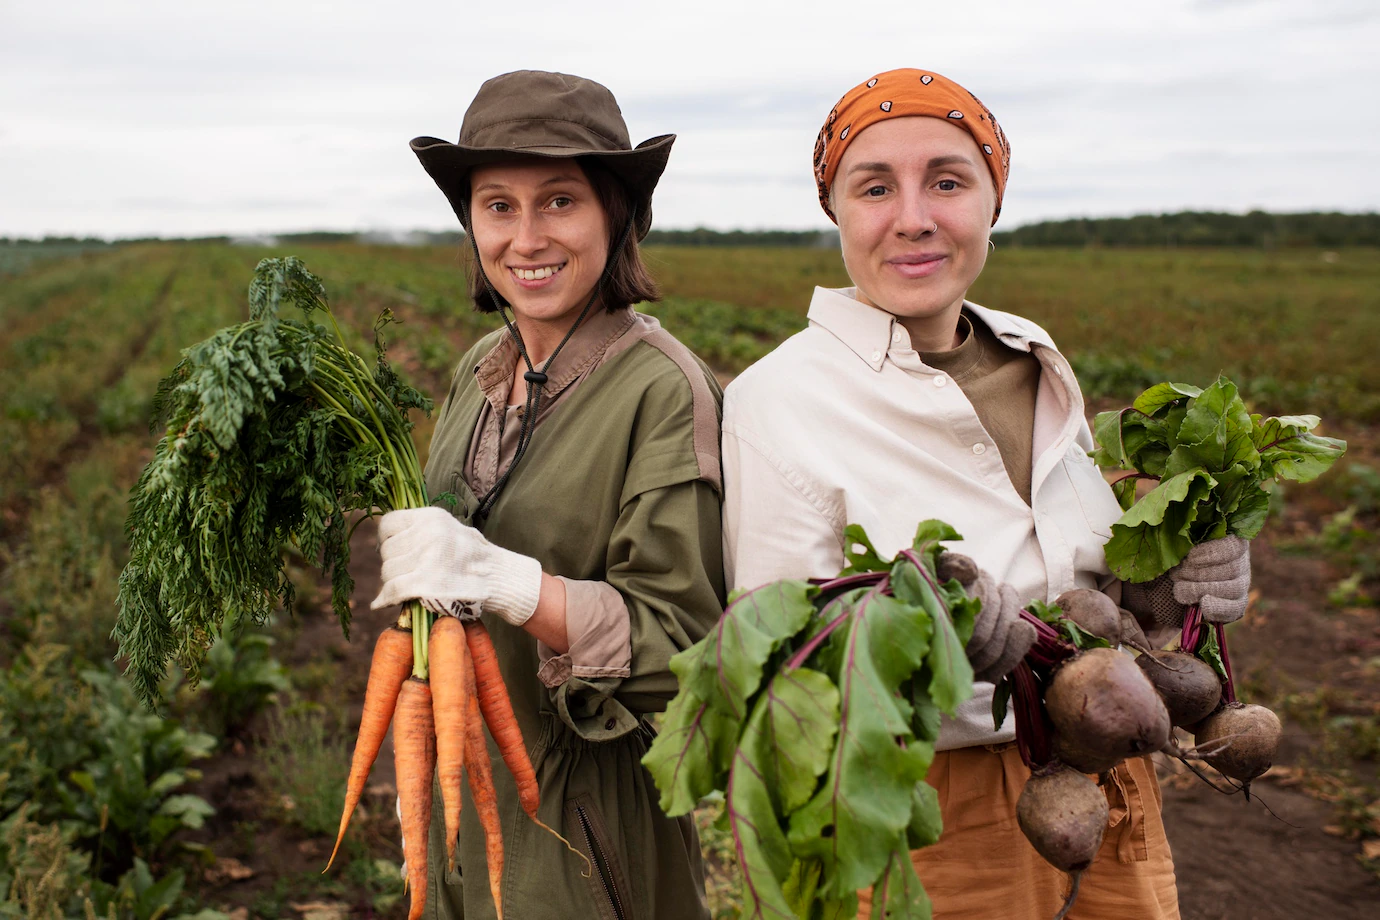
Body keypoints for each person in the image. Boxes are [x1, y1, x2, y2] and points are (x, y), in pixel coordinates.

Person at [720, 68, 1251, 919]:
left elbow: (1088, 577)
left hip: (1110, 776)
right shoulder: (777, 400)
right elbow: (785, 666)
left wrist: (1183, 581)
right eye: (875, 187)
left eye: (948, 180)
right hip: (933, 812)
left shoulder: (1032, 360)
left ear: (992, 200)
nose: (914, 217)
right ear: (836, 213)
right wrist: (925, 646)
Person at [372, 70, 724, 919]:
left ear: (617, 216)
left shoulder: (663, 390)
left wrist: (512, 586)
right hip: (466, 794)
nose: (525, 238)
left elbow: (687, 655)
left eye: (559, 201)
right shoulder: (481, 371)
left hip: (586, 823)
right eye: (498, 206)